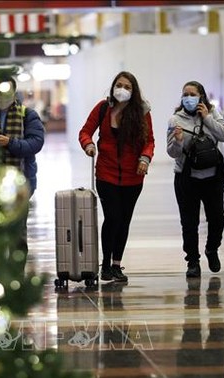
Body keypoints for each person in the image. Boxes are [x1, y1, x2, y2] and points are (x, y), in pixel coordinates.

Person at [79, 71, 155, 282]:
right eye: (119, 85)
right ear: (113, 87)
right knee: (112, 217)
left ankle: (116, 265)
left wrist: (144, 159)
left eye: (128, 87)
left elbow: (149, 141)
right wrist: (88, 144)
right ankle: (105, 265)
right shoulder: (103, 108)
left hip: (133, 178)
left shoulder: (141, 113)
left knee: (124, 220)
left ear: (134, 91)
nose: (123, 89)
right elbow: (85, 131)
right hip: (106, 174)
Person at [0, 77, 45, 273]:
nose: (1, 97)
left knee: (18, 233)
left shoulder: (28, 115)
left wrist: (9, 142)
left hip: (20, 182)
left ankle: (16, 275)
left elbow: (36, 143)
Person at [167, 81, 224, 278]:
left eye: (192, 94)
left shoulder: (213, 113)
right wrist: (177, 142)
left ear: (201, 96)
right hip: (186, 178)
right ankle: (192, 261)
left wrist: (208, 118)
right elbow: (171, 152)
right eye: (185, 94)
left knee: (217, 218)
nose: (188, 97)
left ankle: (212, 249)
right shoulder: (175, 119)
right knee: (189, 222)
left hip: (212, 177)